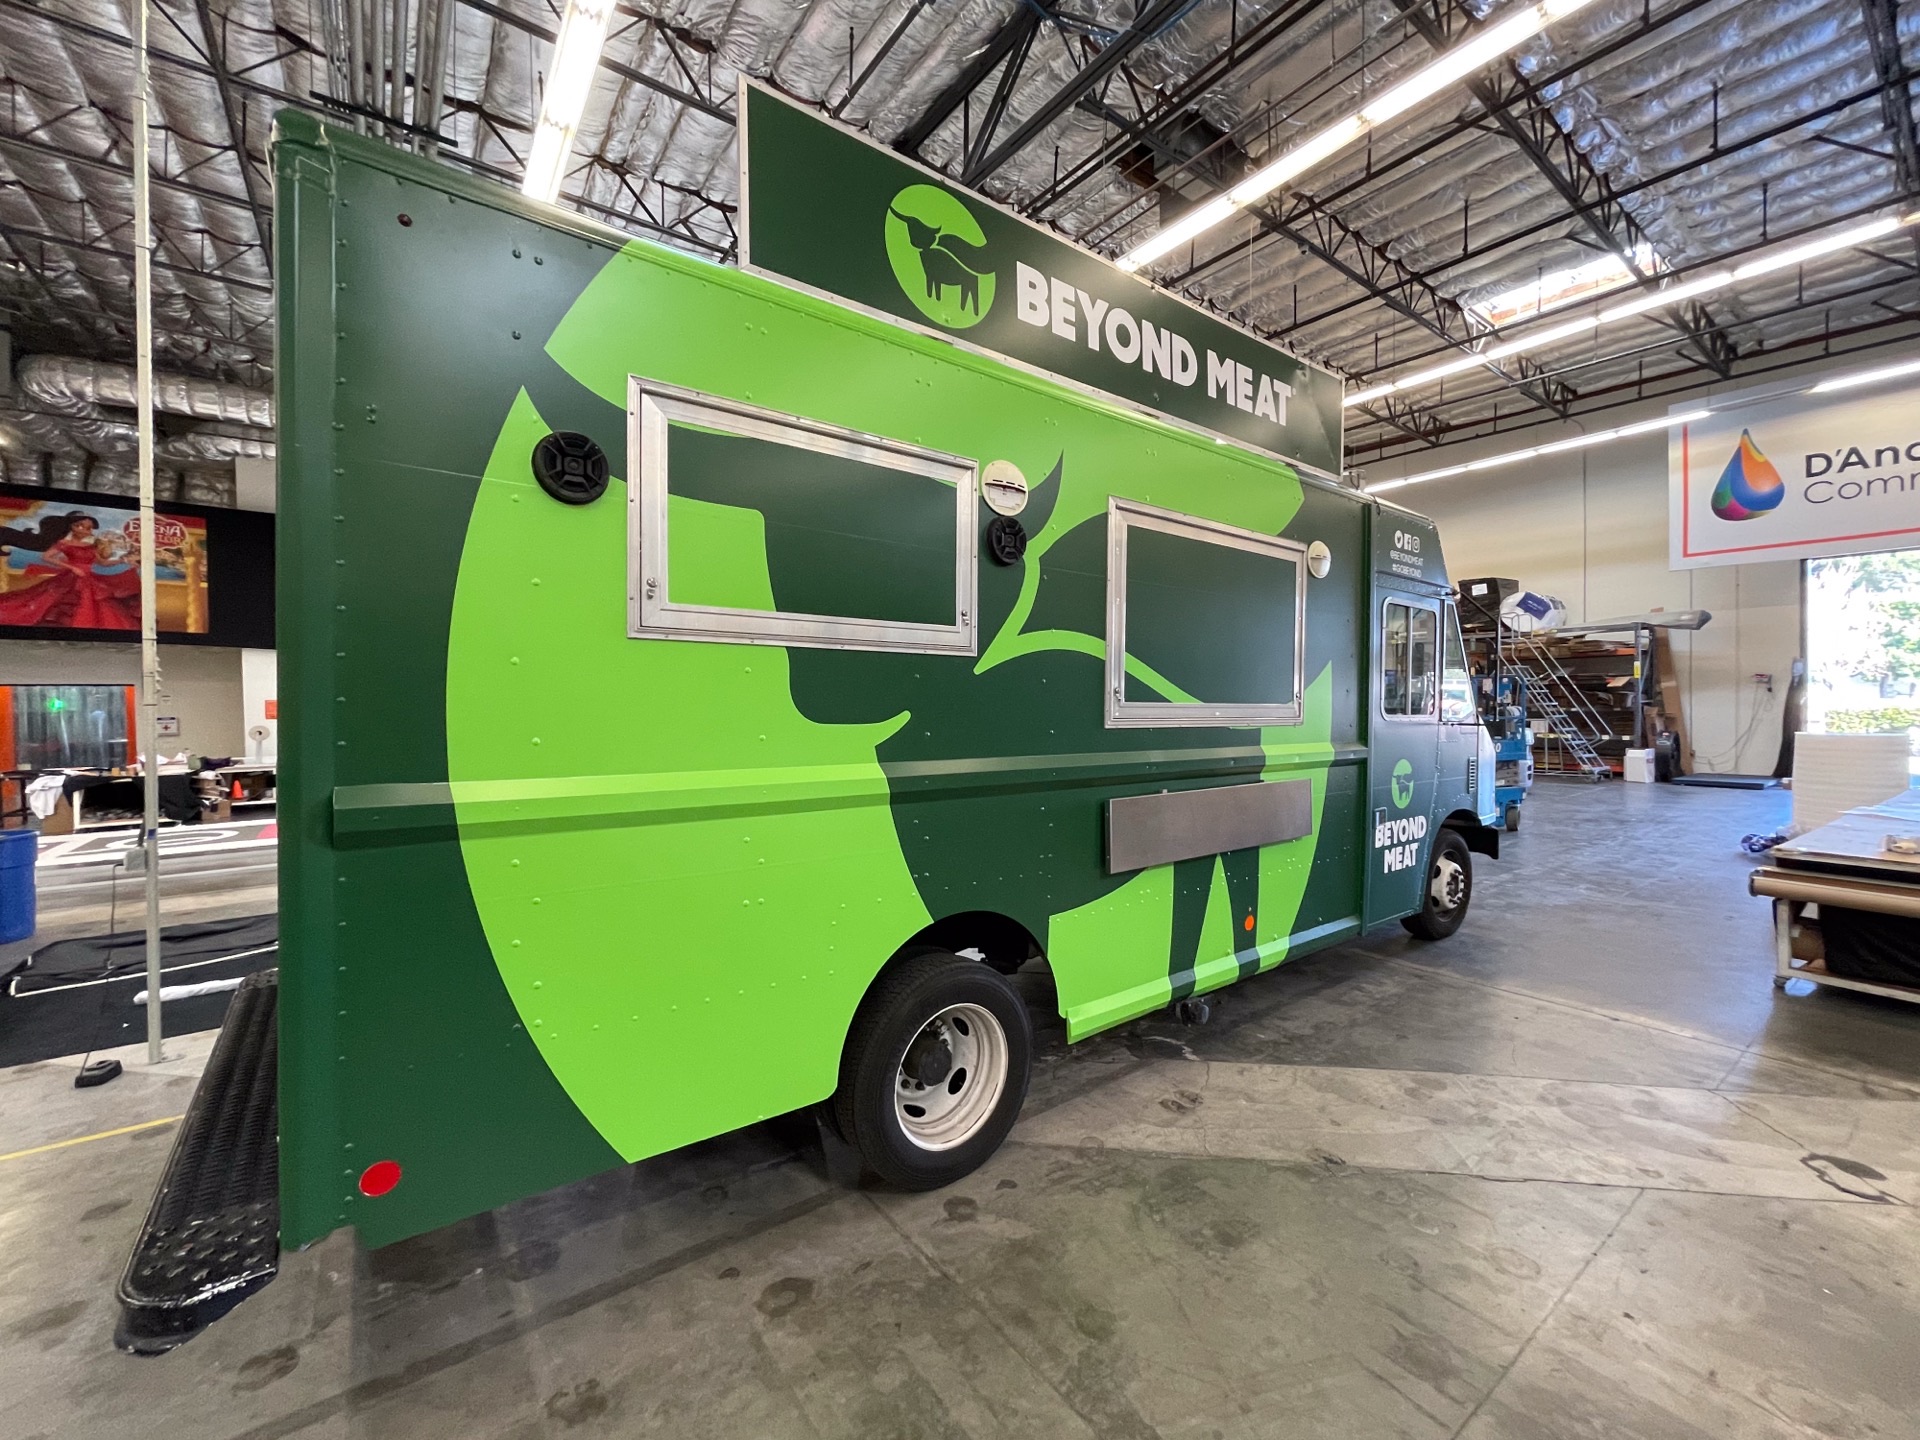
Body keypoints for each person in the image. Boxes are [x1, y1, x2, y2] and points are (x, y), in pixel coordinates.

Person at [0, 511, 141, 629]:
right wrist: (72, 567)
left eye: (89, 528)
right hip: (71, 578)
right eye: (82, 526)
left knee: (102, 604)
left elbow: (102, 563)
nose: (86, 530)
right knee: (53, 601)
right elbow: (46, 557)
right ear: (73, 527)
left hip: (89, 578)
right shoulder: (64, 544)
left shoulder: (91, 546)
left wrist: (122, 560)